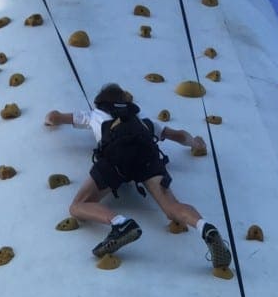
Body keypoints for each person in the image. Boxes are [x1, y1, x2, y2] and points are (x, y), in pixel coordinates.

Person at [44, 83, 231, 267]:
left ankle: (120, 223)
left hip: (117, 160)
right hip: (147, 157)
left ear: (101, 102)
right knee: (172, 207)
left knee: (78, 205)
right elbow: (179, 135)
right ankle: (203, 226)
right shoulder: (143, 120)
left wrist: (50, 120)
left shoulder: (95, 115)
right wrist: (196, 143)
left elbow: (55, 116)